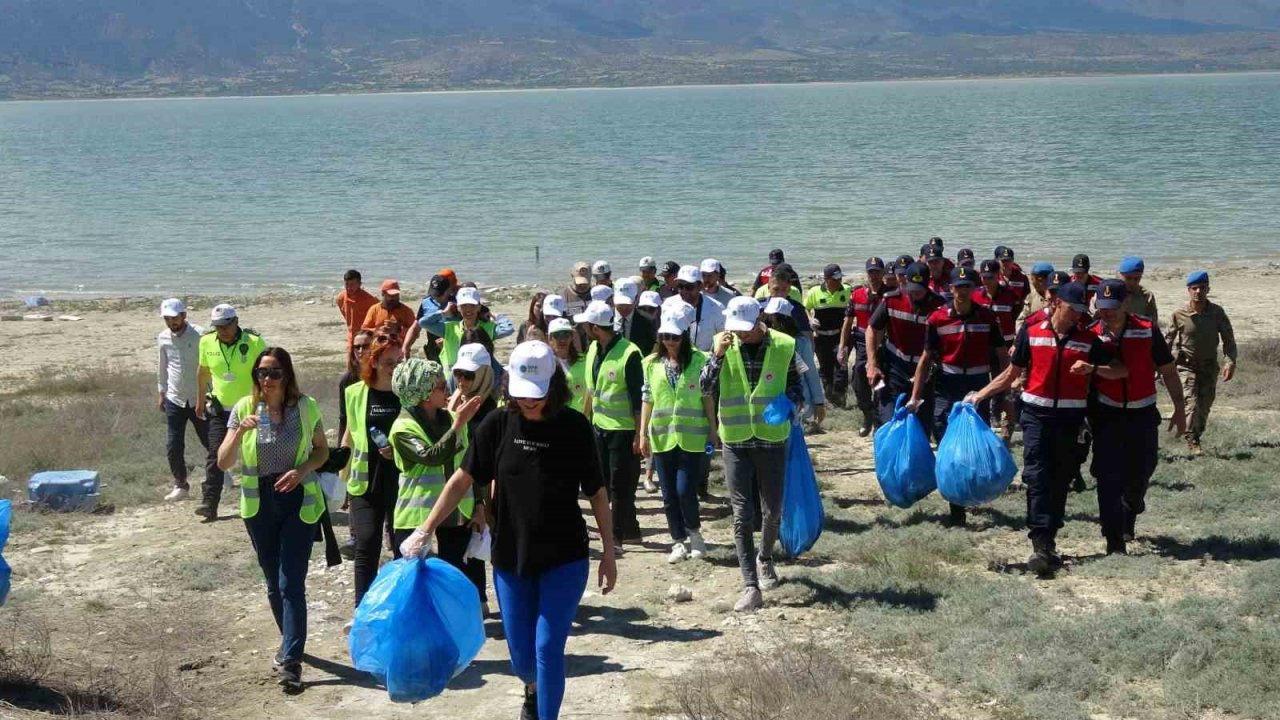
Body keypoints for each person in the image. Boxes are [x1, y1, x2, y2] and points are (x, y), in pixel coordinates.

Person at [400, 341, 617, 720]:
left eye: (537, 394)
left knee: (547, 648)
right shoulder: (497, 425)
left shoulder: (574, 427)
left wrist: (609, 554)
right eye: (521, 394)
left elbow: (598, 494)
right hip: (511, 557)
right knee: (522, 658)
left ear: (554, 386)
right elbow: (462, 479)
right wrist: (425, 528)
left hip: (565, 557)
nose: (529, 402)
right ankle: (531, 689)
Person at [969, 283, 1126, 574]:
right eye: (1072, 309)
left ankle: (1050, 538)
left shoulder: (1088, 340)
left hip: (1070, 418)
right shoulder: (1031, 332)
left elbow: (1120, 370)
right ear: (1056, 304)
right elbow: (1012, 373)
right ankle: (1040, 543)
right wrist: (981, 394)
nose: (1077, 315)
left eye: (1081, 311)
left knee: (1061, 478)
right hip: (1036, 415)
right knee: (1037, 476)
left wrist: (1093, 369)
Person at [216, 347, 328, 693]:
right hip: (259, 501)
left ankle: (291, 662)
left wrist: (302, 470)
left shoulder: (305, 407)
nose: (267, 379)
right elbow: (223, 462)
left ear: (287, 374)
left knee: (291, 581)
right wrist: (239, 431)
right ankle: (289, 641)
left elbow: (322, 451)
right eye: (262, 372)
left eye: (275, 372)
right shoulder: (245, 408)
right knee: (272, 581)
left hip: (298, 498)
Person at [702, 297, 805, 612]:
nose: (741, 335)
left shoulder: (785, 345)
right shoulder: (722, 344)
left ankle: (766, 556)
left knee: (772, 510)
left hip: (772, 439)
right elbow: (705, 386)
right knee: (742, 513)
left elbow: (797, 388)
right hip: (735, 439)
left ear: (760, 318)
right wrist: (717, 356)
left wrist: (789, 405)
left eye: (746, 329)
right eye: (736, 330)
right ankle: (750, 585)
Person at [1088, 280, 1186, 553]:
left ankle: (1130, 507)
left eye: (1113, 307)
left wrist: (1179, 408)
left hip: (1142, 413)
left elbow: (1168, 371)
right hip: (1106, 413)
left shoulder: (1146, 330)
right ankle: (1114, 538)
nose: (1107, 313)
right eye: (1103, 307)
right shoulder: (1091, 333)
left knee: (1142, 469)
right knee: (1108, 476)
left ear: (1127, 303)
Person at [907, 266, 1007, 527]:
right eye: (957, 287)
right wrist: (915, 397)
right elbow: (925, 360)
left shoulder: (987, 317)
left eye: (967, 287)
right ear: (950, 289)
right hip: (947, 386)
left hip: (977, 386)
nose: (962, 291)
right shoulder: (937, 319)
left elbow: (1001, 356)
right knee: (946, 443)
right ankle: (956, 507)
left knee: (973, 444)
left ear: (975, 289)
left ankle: (970, 492)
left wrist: (1003, 391)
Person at [386, 359, 487, 606]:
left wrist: (479, 505)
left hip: (456, 516)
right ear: (423, 394)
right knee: (416, 590)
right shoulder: (402, 427)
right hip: (416, 519)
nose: (448, 389)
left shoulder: (453, 418)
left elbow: (469, 465)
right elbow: (432, 456)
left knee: (454, 586)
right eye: (441, 386)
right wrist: (459, 424)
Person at [638, 303, 716, 563]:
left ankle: (695, 535)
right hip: (662, 438)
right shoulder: (650, 364)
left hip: (692, 437)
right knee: (669, 494)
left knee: (684, 490)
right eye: (665, 337)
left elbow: (707, 396)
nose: (670, 342)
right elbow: (647, 398)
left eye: (675, 337)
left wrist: (713, 428)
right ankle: (678, 541)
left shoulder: (700, 360)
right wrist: (642, 434)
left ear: (684, 337)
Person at [341, 334, 403, 607]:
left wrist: (398, 450)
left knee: (403, 548)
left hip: (402, 482)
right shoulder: (355, 392)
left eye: (399, 361)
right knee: (366, 544)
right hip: (366, 481)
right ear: (374, 362)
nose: (395, 368)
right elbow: (349, 435)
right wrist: (341, 476)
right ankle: (363, 611)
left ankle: (401, 610)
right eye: (389, 362)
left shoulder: (408, 393)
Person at [579, 300, 645, 549]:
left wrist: (639, 434)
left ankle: (616, 537)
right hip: (600, 426)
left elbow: (639, 399)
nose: (583, 329)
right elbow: (591, 390)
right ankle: (631, 530)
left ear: (595, 327)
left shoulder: (629, 353)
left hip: (623, 430)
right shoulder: (593, 349)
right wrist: (584, 420)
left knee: (620, 485)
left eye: (586, 325)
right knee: (604, 482)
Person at [196, 304, 268, 521]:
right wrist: (200, 401)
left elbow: (267, 372)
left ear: (236, 322)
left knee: (262, 453)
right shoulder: (206, 342)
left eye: (226, 326)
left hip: (253, 408)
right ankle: (209, 503)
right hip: (221, 410)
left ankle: (267, 500)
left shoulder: (254, 342)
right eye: (218, 327)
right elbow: (203, 373)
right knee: (215, 455)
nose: (223, 331)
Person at [865, 263, 945, 433]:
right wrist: (872, 364)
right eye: (912, 289)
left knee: (922, 425)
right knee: (888, 419)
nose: (915, 293)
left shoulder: (940, 305)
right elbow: (871, 329)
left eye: (920, 290)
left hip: (926, 371)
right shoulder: (892, 300)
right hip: (895, 366)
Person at [1164, 271, 1237, 454]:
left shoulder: (1217, 313)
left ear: (1208, 289)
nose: (1198, 291)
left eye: (1202, 288)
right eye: (1194, 288)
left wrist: (1229, 362)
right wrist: (1161, 365)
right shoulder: (1179, 314)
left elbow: (1228, 339)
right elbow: (1167, 340)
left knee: (1204, 406)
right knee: (1191, 403)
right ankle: (1192, 439)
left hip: (1209, 367)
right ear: (1188, 290)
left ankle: (1196, 433)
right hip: (1186, 366)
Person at [157, 298, 208, 502]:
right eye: (167, 319)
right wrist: (161, 392)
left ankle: (222, 474)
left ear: (184, 316)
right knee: (173, 444)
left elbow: (210, 365)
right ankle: (180, 485)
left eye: (174, 318)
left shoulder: (201, 335)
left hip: (199, 397)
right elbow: (162, 366)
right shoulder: (163, 338)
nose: (171, 322)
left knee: (209, 440)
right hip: (175, 398)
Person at [838, 257, 889, 436]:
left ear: (883, 273)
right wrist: (842, 346)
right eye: (871, 272)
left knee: (881, 382)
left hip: (884, 344)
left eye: (877, 272)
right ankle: (868, 413)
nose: (874, 275)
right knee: (858, 380)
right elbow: (847, 322)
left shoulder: (890, 295)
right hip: (860, 341)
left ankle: (879, 420)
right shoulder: (857, 294)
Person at [974, 259, 1021, 441]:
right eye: (984, 277)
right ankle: (987, 415)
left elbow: (1017, 316)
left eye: (991, 277)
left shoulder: (1010, 295)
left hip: (1005, 347)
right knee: (983, 381)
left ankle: (1001, 417)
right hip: (983, 346)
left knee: (1003, 382)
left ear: (998, 276)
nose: (987, 281)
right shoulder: (975, 295)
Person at [803, 263, 851, 409]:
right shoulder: (814, 292)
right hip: (821, 337)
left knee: (841, 366)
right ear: (827, 279)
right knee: (825, 369)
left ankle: (840, 397)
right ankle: (830, 397)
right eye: (835, 279)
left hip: (839, 336)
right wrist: (810, 319)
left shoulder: (847, 290)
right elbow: (805, 308)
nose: (839, 282)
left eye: (840, 278)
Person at [674, 264, 727, 352]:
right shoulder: (668, 305)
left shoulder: (717, 308)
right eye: (680, 286)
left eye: (689, 287)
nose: (684, 291)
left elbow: (723, 337)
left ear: (700, 286)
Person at [442, 287, 496, 372]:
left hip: (479, 376)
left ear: (479, 307)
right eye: (464, 306)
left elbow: (508, 328)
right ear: (458, 307)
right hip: (453, 376)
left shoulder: (489, 327)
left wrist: (494, 315)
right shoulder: (450, 327)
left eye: (472, 306)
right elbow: (425, 322)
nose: (468, 310)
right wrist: (443, 313)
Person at [362, 280, 418, 358]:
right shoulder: (374, 309)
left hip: (400, 353)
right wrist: (378, 331)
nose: (394, 298)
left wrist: (398, 330)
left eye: (396, 295)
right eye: (391, 295)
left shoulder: (407, 311)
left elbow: (415, 333)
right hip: (378, 353)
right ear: (383, 294)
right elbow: (364, 330)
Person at [412, 273, 457, 362]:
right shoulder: (426, 302)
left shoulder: (458, 304)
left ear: (449, 290)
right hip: (433, 352)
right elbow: (417, 326)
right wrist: (406, 346)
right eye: (434, 293)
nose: (435, 297)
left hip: (453, 350)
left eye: (439, 294)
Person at [548, 317, 588, 413]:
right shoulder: (546, 364)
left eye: (566, 334)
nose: (562, 339)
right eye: (557, 335)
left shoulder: (584, 361)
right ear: (550, 339)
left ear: (571, 337)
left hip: (580, 417)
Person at [335, 270, 378, 348]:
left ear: (359, 284)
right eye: (346, 284)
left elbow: (380, 313)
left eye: (352, 284)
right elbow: (347, 317)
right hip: (351, 337)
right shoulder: (340, 298)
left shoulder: (369, 299)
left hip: (366, 337)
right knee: (350, 355)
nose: (349, 288)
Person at [613, 278, 655, 355]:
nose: (624, 308)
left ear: (636, 299)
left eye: (628, 305)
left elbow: (651, 346)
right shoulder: (605, 318)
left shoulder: (647, 321)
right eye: (620, 305)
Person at [1117, 256, 1158, 327]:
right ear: (1120, 275)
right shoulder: (1111, 292)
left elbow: (1153, 323)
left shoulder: (1147, 296)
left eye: (1136, 279)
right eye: (1128, 278)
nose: (1132, 283)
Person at [996, 246, 1031, 315]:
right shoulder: (993, 276)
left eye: (1008, 260)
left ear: (1013, 261)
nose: (1006, 263)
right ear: (998, 261)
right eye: (1003, 261)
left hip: (1017, 310)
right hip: (999, 310)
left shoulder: (1021, 276)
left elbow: (1027, 295)